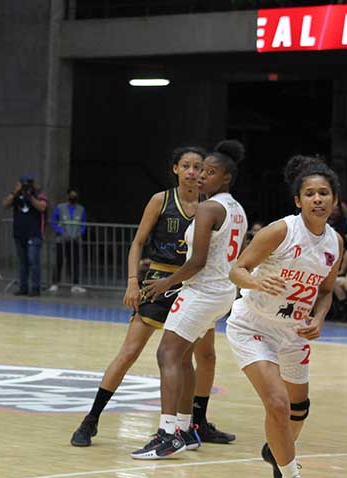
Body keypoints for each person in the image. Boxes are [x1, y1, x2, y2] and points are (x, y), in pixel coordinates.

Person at [70, 146, 235, 448]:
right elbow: (137, 243)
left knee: (199, 357)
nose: (192, 172)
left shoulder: (212, 205)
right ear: (175, 169)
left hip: (197, 286)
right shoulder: (161, 200)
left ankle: (193, 424)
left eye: (198, 167)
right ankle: (91, 419)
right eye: (186, 166)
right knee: (129, 352)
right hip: (159, 281)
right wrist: (133, 282)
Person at [227, 155, 343, 478]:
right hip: (253, 325)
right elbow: (237, 269)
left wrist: (320, 318)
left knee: (298, 410)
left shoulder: (335, 243)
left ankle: (277, 449)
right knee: (276, 404)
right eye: (310, 193)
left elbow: (325, 291)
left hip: (294, 332)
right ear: (298, 200)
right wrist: (257, 280)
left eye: (324, 193)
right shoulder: (281, 230)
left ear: (334, 200)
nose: (317, 199)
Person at [131, 140, 248, 459]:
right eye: (201, 171)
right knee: (182, 358)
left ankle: (167, 434)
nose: (201, 177)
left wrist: (163, 284)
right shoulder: (237, 208)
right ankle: (186, 429)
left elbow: (196, 262)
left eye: (210, 172)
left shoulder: (209, 207)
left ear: (225, 178)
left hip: (203, 291)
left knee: (166, 354)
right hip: (222, 292)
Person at [4, 176, 48, 295]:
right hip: (19, 234)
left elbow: (42, 207)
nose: (25, 186)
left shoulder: (39, 194)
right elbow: (5, 204)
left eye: (28, 184)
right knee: (22, 262)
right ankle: (23, 287)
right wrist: (15, 192)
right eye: (23, 184)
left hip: (34, 234)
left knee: (33, 261)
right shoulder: (16, 195)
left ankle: (35, 288)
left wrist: (30, 197)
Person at [50, 187, 87, 293]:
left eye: (75, 195)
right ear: (67, 196)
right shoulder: (60, 208)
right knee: (58, 261)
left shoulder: (81, 209)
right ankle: (54, 283)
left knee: (75, 262)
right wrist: (61, 231)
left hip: (75, 240)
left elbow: (83, 224)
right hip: (61, 240)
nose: (73, 197)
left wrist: (79, 233)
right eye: (71, 195)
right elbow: (54, 222)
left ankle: (75, 284)